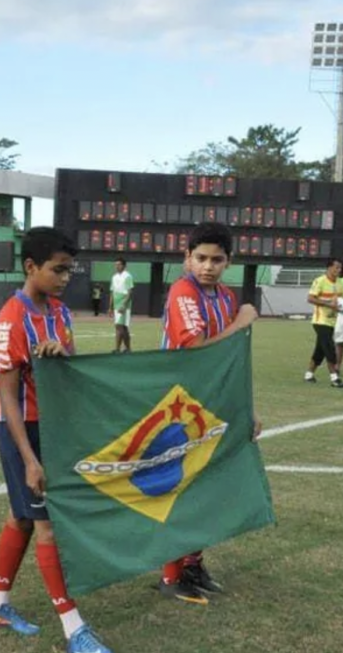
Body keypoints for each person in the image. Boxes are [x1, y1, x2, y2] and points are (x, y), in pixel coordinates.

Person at [0, 226, 114, 653]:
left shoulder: (59, 312)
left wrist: (60, 356)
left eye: (69, 271)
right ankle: (74, 627)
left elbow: (66, 372)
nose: (64, 278)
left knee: (21, 515)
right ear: (30, 267)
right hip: (21, 430)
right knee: (47, 524)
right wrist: (31, 460)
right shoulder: (10, 319)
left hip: (52, 424)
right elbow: (8, 396)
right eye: (57, 270)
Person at [158, 221, 260, 604]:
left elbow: (233, 359)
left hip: (213, 403)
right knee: (182, 488)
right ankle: (170, 576)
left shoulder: (226, 297)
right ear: (187, 258)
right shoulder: (183, 291)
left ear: (228, 262)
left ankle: (192, 564)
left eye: (217, 259)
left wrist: (248, 407)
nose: (207, 266)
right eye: (200, 258)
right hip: (179, 405)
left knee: (209, 487)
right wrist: (241, 322)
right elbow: (199, 349)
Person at [304, 257, 343, 388]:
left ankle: (309, 374)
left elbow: (342, 299)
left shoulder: (340, 283)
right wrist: (328, 304)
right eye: (336, 267)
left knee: (320, 350)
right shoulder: (320, 281)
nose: (339, 270)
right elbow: (310, 298)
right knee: (329, 347)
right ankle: (334, 378)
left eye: (340, 268)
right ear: (328, 268)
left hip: (333, 321)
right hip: (320, 321)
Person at [108, 257, 133, 352]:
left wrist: (124, 305)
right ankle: (128, 349)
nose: (117, 266)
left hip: (124, 305)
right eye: (116, 264)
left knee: (118, 326)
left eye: (119, 264)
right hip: (116, 304)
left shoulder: (127, 276)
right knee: (124, 328)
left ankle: (117, 349)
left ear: (124, 266)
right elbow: (112, 292)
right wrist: (110, 307)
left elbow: (130, 292)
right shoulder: (114, 277)